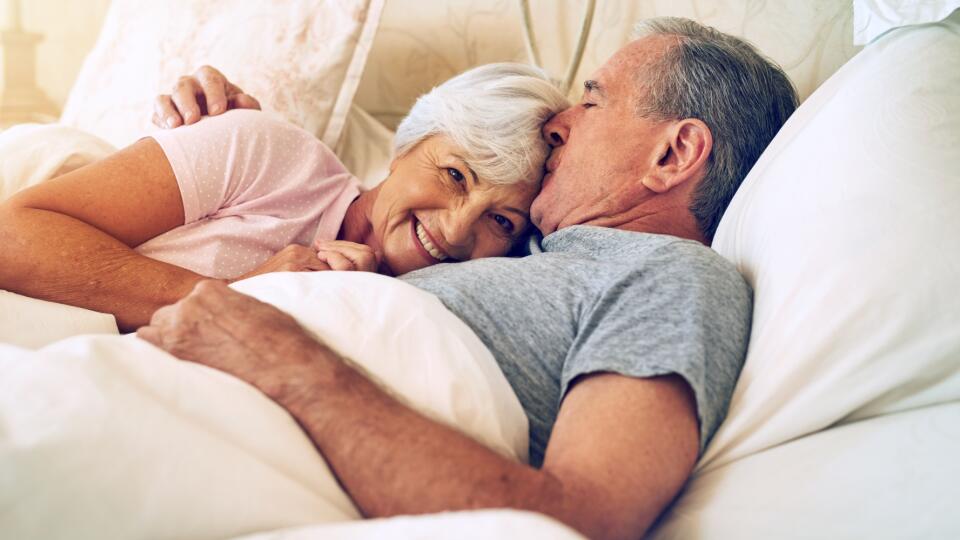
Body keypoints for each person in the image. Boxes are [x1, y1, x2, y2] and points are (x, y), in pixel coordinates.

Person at [140, 17, 798, 540]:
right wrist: (244, 134)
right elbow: (406, 188)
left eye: (592, 103)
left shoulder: (673, 281)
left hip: (233, 413)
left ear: (672, 153)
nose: (559, 123)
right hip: (178, 375)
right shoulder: (531, 248)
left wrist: (284, 359)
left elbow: (584, 520)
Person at [0, 63, 566, 331]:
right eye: (456, 176)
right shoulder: (268, 151)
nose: (458, 229)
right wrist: (240, 297)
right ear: (406, 148)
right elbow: (14, 234)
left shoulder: (423, 313)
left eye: (502, 220)